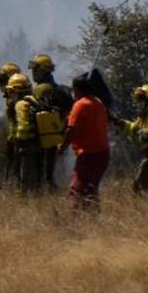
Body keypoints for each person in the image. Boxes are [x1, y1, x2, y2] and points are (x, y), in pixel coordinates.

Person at [58, 73, 110, 211]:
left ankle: (74, 220)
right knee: (91, 188)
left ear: (78, 89)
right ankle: (93, 218)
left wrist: (62, 148)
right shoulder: (98, 103)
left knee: (77, 188)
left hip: (88, 154)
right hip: (103, 154)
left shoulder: (80, 105)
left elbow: (71, 130)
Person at [28, 54, 73, 189]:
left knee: (44, 174)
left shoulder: (41, 89)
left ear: (42, 71)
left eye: (35, 69)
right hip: (58, 135)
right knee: (55, 171)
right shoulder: (59, 89)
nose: (33, 72)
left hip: (43, 138)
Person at [7, 73, 44, 194]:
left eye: (11, 91)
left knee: (26, 182)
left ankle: (29, 206)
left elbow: (24, 125)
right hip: (38, 146)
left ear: (17, 91)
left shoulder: (20, 104)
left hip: (27, 148)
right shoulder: (34, 101)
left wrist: (17, 142)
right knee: (37, 180)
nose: (10, 95)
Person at [0, 63, 22, 186]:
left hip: (20, 140)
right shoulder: (11, 97)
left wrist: (12, 139)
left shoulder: (15, 99)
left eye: (1, 79)